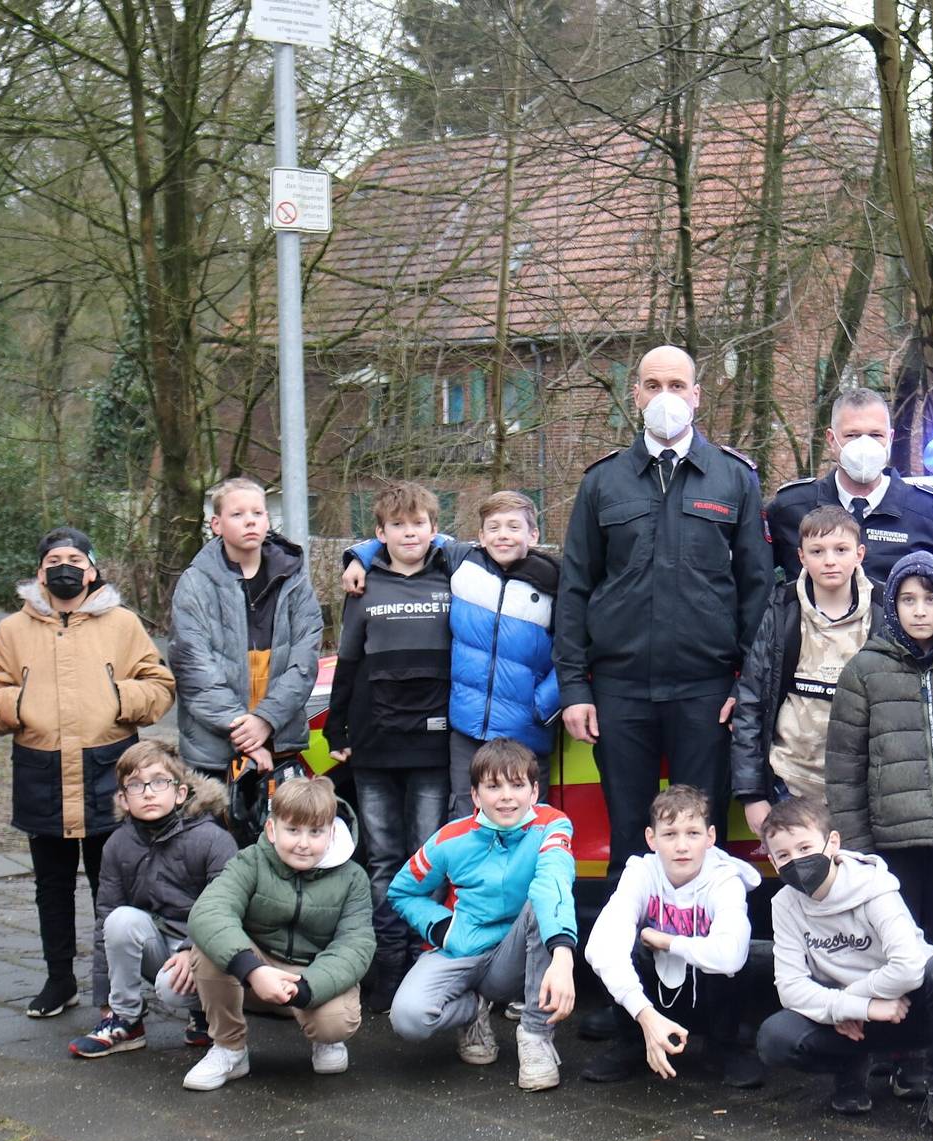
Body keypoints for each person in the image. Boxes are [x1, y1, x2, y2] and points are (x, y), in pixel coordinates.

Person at [556, 344, 770, 1038]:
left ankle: (710, 1020)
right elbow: (575, 587)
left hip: (706, 691)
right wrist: (575, 684)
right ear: (635, 394)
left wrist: (747, 681)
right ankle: (632, 1016)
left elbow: (757, 592)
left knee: (703, 854)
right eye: (653, 383)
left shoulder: (734, 480)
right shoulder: (603, 483)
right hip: (619, 691)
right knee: (631, 853)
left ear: (698, 394)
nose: (666, 393)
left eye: (678, 382)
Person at [0, 527, 177, 1019]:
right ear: (40, 572)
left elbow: (159, 684)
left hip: (109, 770)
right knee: (51, 883)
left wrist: (118, 699)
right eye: (53, 559)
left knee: (111, 884)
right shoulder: (12, 630)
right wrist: (21, 704)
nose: (63, 566)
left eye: (74, 558)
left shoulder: (123, 624)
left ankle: (116, 988)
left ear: (91, 569)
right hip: (40, 770)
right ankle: (58, 978)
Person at [755, 797, 933, 1141]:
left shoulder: (874, 886)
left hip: (906, 1008)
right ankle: (850, 1065)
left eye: (804, 847)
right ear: (771, 860)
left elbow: (908, 968)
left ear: (832, 843)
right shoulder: (783, 904)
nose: (796, 861)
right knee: (775, 1038)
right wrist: (858, 1008)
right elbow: (790, 989)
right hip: (857, 1017)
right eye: (783, 855)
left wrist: (850, 998)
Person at [824, 549, 933, 963]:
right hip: (889, 845)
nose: (920, 611)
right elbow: (844, 770)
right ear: (892, 605)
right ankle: (901, 1029)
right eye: (908, 599)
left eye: (931, 599)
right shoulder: (864, 671)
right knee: (894, 950)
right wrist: (858, 851)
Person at [340, 489, 560, 810]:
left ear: (534, 534)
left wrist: (544, 705)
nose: (504, 536)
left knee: (526, 822)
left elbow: (575, 649)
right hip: (466, 728)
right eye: (494, 528)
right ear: (481, 536)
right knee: (463, 819)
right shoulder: (461, 562)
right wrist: (359, 557)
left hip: (525, 726)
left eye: (514, 527)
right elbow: (414, 536)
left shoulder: (556, 581)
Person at [325, 481, 457, 1012]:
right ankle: (388, 966)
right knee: (382, 859)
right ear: (380, 534)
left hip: (433, 739)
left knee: (426, 857)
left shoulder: (454, 573)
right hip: (375, 741)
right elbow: (348, 663)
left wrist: (356, 552)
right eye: (397, 525)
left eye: (418, 523)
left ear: (432, 529)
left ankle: (425, 961)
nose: (409, 532)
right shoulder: (362, 587)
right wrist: (337, 731)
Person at [386, 738, 580, 1091]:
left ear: (534, 791)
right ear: (475, 796)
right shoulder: (450, 838)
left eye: (517, 785)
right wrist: (442, 927)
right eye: (493, 786)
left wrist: (564, 958)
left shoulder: (554, 824)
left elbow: (552, 882)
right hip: (459, 947)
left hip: (512, 955)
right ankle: (474, 1010)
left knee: (541, 902)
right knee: (409, 1019)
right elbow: (401, 891)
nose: (506, 796)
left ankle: (536, 1036)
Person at [181, 776, 374, 1090]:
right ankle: (230, 1049)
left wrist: (306, 989)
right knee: (207, 947)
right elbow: (209, 911)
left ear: (332, 831)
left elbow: (356, 944)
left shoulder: (353, 878)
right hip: (257, 972)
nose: (303, 842)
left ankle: (324, 1039)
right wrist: (254, 970)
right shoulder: (250, 862)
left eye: (315, 832)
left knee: (335, 1023)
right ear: (272, 829)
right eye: (293, 830)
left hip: (312, 975)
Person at [581, 785, 764, 1088]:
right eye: (669, 834)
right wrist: (645, 1014)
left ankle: (722, 1047)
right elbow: (601, 947)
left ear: (711, 837)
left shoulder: (725, 879)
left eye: (693, 833)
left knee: (735, 958)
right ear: (651, 839)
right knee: (623, 948)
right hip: (655, 996)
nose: (682, 846)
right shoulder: (640, 873)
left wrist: (667, 941)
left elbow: (730, 953)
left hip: (705, 992)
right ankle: (634, 1042)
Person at [71, 742, 238, 1058]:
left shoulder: (213, 838)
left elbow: (229, 907)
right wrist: (105, 998)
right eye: (136, 785)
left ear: (180, 791)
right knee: (118, 919)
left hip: (208, 947)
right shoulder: (117, 845)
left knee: (170, 989)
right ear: (123, 798)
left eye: (159, 782)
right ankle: (125, 1020)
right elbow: (104, 918)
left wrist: (194, 948)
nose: (148, 792)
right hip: (161, 945)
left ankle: (206, 1012)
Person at [763, 387, 933, 608]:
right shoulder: (790, 508)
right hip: (812, 645)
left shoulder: (929, 511)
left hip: (897, 647)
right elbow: (752, 581)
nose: (865, 445)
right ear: (832, 440)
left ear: (890, 438)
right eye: (852, 435)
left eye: (875, 435)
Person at [730, 504, 875, 837]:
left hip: (861, 790)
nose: (829, 560)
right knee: (802, 880)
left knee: (859, 884)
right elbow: (751, 701)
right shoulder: (783, 611)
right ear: (801, 556)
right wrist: (752, 795)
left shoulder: (882, 613)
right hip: (792, 782)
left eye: (841, 550)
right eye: (817, 551)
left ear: (860, 554)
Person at [170, 478, 323, 783]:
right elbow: (193, 669)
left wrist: (266, 719)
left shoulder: (294, 580)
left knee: (283, 832)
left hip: (280, 744)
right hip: (213, 754)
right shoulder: (195, 583)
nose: (250, 520)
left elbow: (304, 661)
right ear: (216, 524)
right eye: (237, 514)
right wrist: (244, 732)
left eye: (258, 512)